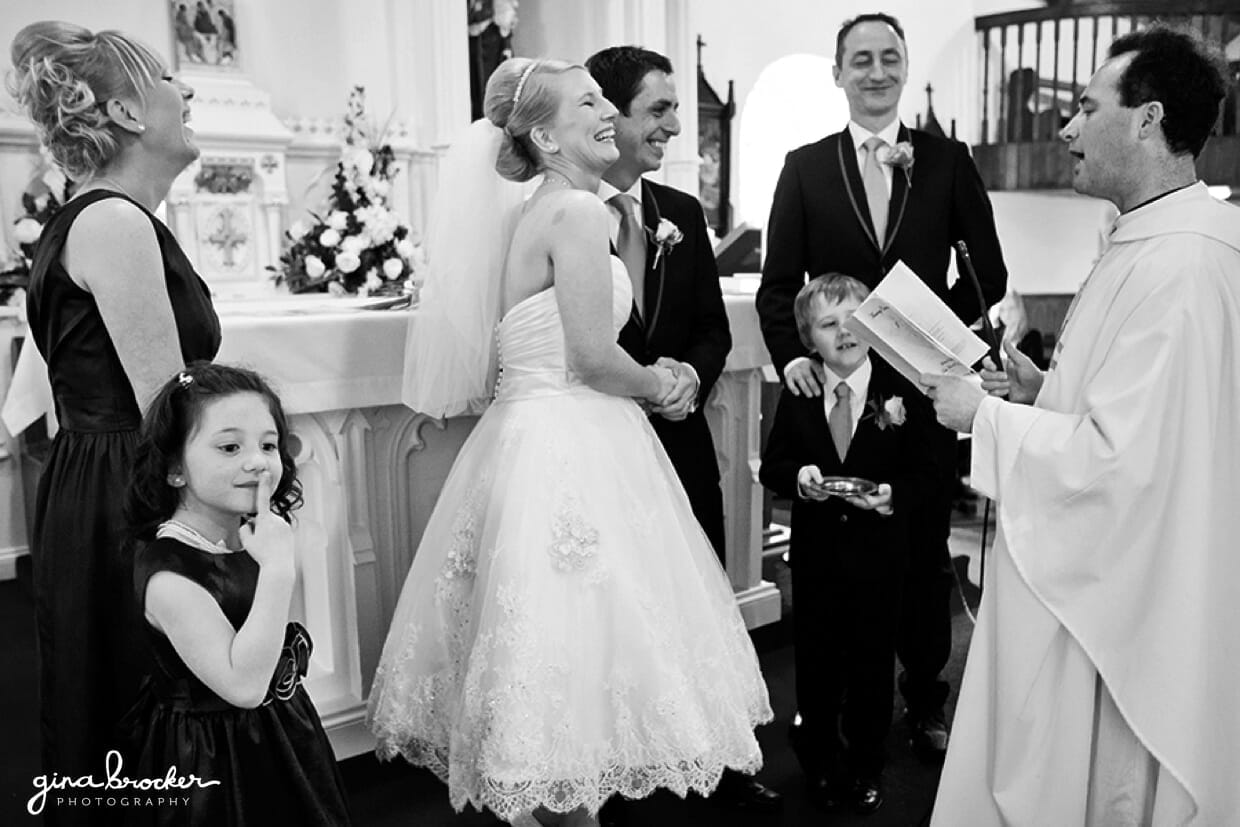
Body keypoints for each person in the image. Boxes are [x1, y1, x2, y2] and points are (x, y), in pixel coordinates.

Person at [369, 57, 772, 827]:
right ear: (548, 135)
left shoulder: (542, 210)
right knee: (571, 647)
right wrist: (664, 383)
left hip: (536, 433)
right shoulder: (580, 215)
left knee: (558, 664)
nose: (606, 115)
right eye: (588, 102)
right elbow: (590, 355)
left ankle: (560, 808)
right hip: (572, 438)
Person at [923, 26, 1240, 825]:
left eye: (1086, 107)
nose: (1065, 127)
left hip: (1133, 596)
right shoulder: (1155, 237)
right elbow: (1135, 412)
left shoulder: (1182, 263)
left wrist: (985, 417)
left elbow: (1124, 463)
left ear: (1146, 119)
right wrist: (1042, 391)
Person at [756, 11, 1008, 761]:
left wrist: (934, 336)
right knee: (837, 553)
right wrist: (791, 357)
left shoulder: (947, 159)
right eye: (859, 59)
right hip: (837, 393)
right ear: (838, 73)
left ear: (904, 67)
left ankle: (926, 695)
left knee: (924, 548)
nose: (875, 71)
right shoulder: (803, 167)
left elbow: (986, 274)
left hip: (923, 394)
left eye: (888, 57)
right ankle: (824, 705)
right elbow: (777, 289)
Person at [8, 21, 220, 819]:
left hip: (102, 476)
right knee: (142, 697)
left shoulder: (108, 217)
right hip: (125, 489)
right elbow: (166, 404)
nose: (188, 91)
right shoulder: (114, 223)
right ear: (129, 114)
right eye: (171, 79)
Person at [586, 45, 780, 816]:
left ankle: (719, 760)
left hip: (681, 439)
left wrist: (691, 378)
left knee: (698, 602)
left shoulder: (682, 215)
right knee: (621, 612)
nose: (674, 126)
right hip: (603, 451)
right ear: (610, 115)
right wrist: (636, 388)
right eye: (659, 110)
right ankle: (631, 771)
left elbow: (709, 327)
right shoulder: (557, 213)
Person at [119, 362, 351, 825]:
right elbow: (243, 686)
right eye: (230, 447)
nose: (258, 461)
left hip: (278, 733)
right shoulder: (170, 575)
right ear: (173, 469)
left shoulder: (245, 536)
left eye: (269, 445)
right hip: (212, 757)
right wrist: (279, 570)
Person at [760, 274, 934, 814]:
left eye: (853, 320)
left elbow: (929, 474)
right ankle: (817, 758)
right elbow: (774, 467)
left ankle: (864, 763)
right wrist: (801, 479)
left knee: (870, 665)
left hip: (879, 560)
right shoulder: (801, 393)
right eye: (828, 324)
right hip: (815, 562)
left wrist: (890, 498)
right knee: (815, 664)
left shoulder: (902, 391)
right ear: (809, 339)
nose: (843, 332)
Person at [989, 288, 1046, 370]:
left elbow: (1035, 369)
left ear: (1019, 308)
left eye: (1011, 308)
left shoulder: (1032, 337)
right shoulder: (996, 336)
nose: (1007, 314)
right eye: (1002, 310)